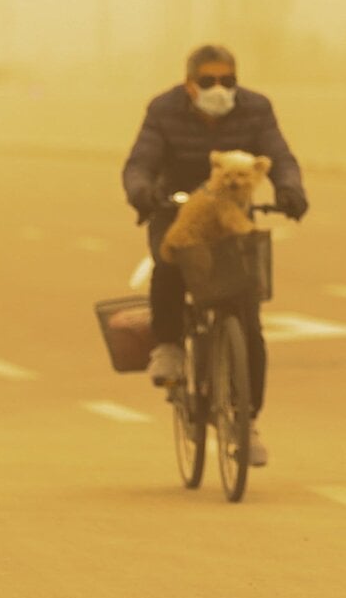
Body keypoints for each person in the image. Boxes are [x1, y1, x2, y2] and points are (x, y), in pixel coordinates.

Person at [123, 45, 308, 466]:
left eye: (227, 81)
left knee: (247, 315)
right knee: (171, 260)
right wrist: (143, 193)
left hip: (233, 216)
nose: (219, 89)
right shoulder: (163, 110)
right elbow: (139, 163)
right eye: (208, 82)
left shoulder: (256, 110)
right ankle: (168, 345)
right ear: (190, 84)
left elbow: (280, 157)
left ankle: (247, 420)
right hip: (174, 206)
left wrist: (290, 190)